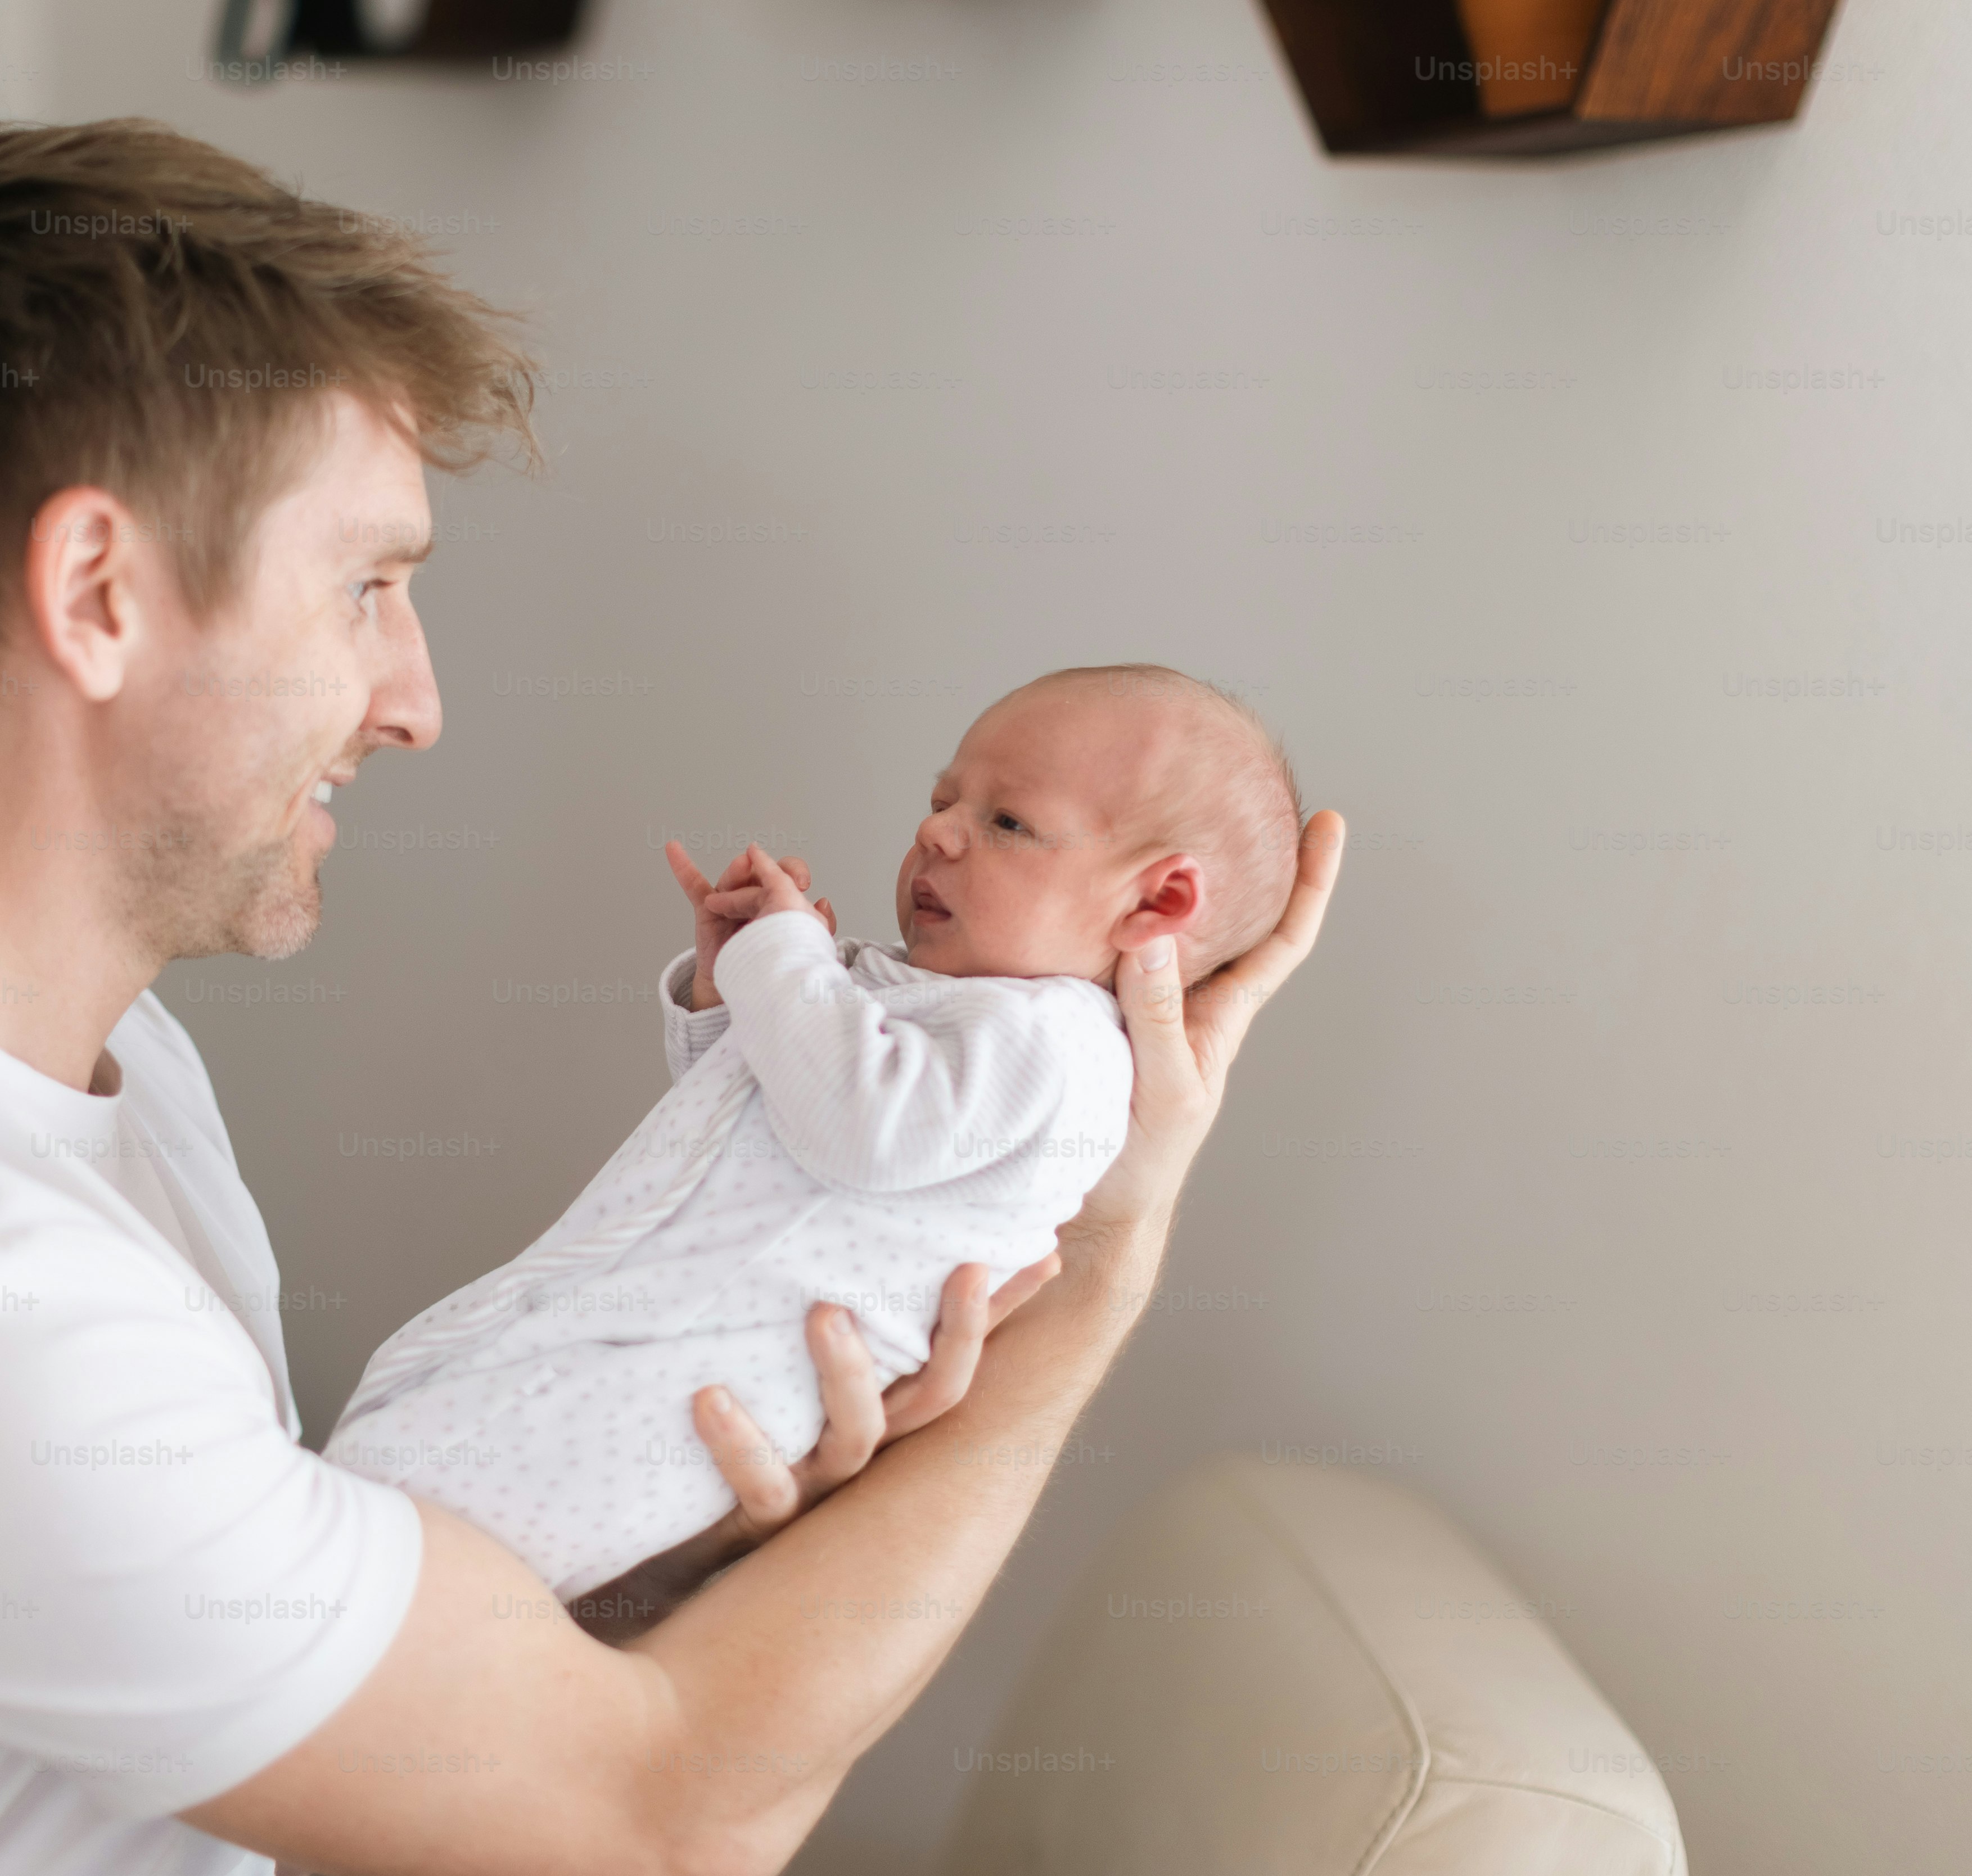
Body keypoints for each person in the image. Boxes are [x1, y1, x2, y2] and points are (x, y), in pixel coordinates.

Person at [0, 118, 1343, 1876]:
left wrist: (637, 1556)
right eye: (367, 586)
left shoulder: (43, 1070)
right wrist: (1093, 1274)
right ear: (96, 594)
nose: (416, 700)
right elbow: (668, 1820)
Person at [326, 667, 1303, 1602]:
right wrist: (729, 994)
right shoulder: (942, 1002)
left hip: (683, 1399)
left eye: (1006, 822)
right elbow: (750, 1132)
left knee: (405, 1552)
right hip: (634, 1346)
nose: (936, 832)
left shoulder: (1057, 1043)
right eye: (943, 800)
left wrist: (787, 960)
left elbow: (860, 1130)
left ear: (1157, 902)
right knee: (381, 1513)